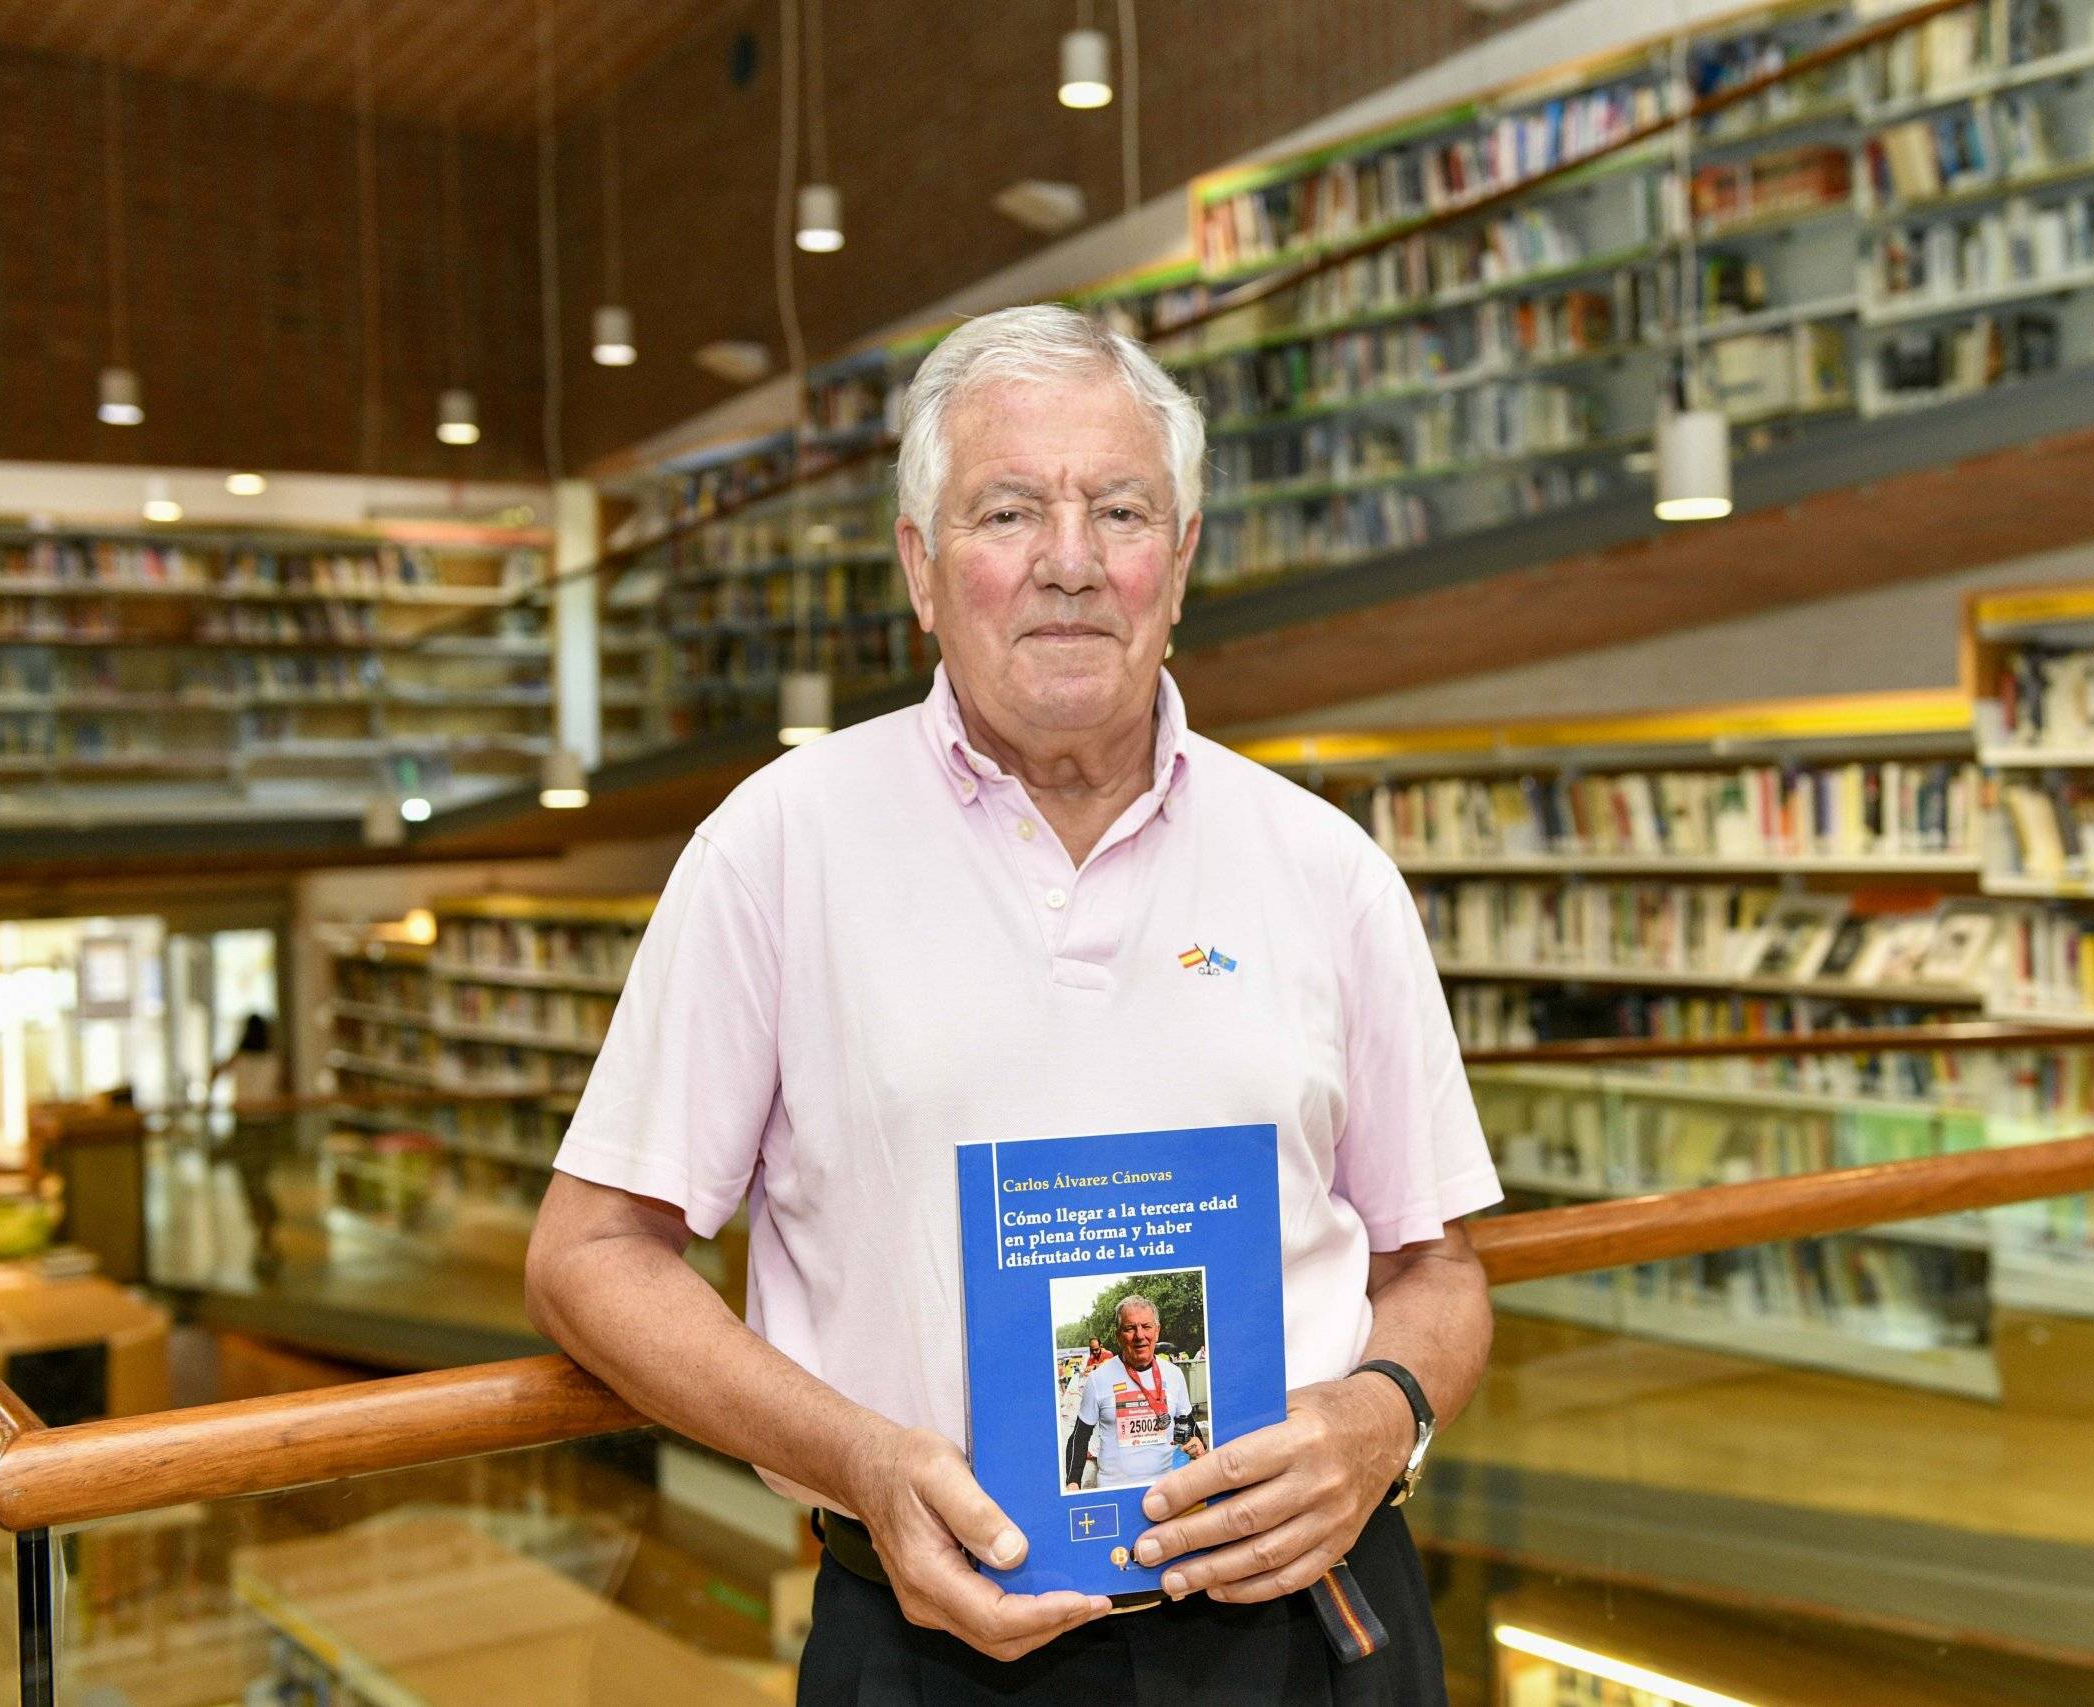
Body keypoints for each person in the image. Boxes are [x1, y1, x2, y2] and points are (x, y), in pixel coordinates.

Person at [524, 304, 1499, 1702]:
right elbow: (589, 1252)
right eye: (1006, 511)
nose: (1070, 561)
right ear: (921, 567)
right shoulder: (779, 842)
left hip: (1307, 1624)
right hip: (932, 1643)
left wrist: (1383, 1412)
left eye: (1119, 508)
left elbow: (1441, 1265)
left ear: (1184, 560)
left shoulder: (1326, 865)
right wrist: (861, 1450)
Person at [1064, 1296, 1205, 1491]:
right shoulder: (1098, 1379)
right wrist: (1072, 1483)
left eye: (1146, 1326)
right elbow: (1079, 1438)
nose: (1140, 1336)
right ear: (1118, 1336)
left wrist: (1199, 1446)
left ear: (1157, 1331)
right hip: (1116, 1490)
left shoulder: (1174, 1374)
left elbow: (1190, 1427)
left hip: (1167, 1488)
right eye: (1130, 1328)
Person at [211, 1014, 286, 1281]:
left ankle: (266, 1230)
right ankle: (266, 1230)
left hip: (251, 1127)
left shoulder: (242, 1059)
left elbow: (215, 1073)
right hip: (260, 1128)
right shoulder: (271, 1060)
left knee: (253, 1182)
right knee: (255, 1181)